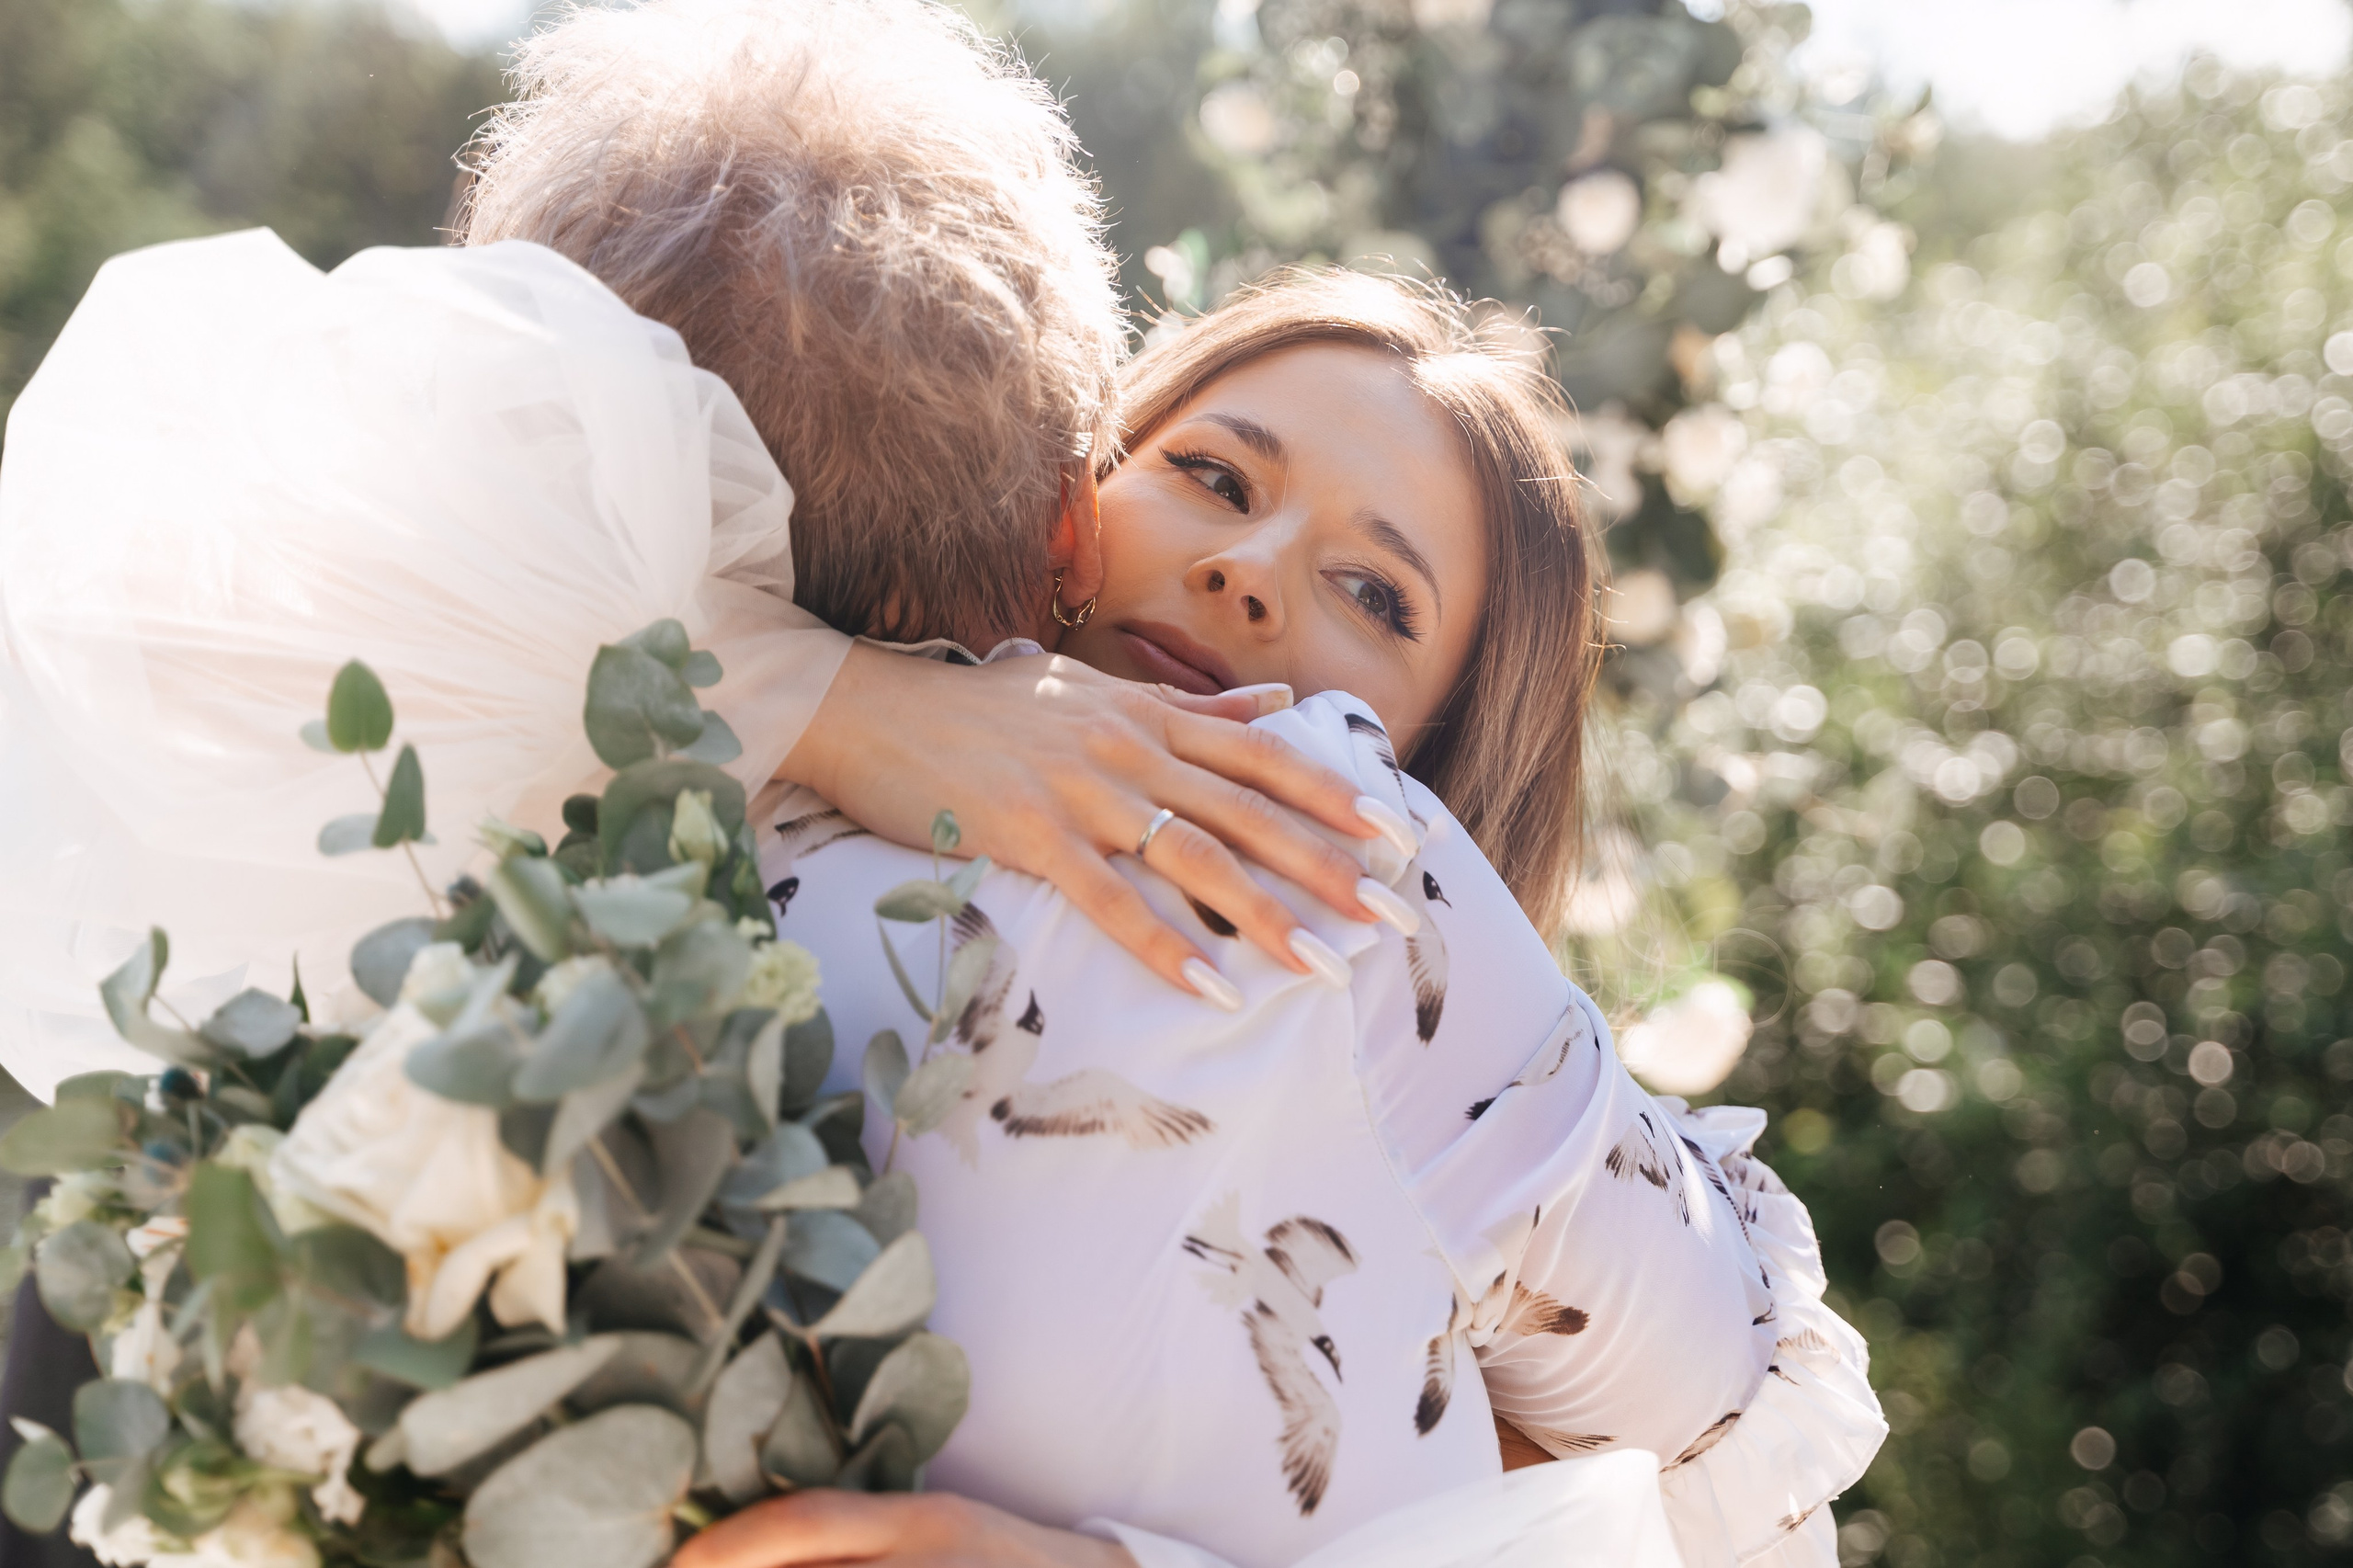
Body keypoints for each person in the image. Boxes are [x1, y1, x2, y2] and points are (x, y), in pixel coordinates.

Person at [674, 270, 1884, 1568]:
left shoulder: (1360, 886)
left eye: (1375, 595)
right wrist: (841, 701)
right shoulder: (754, 642)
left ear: (1435, 753)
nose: (1246, 573)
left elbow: (1743, 1461)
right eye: (1214, 477)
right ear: (1087, 472)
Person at [0, 0, 1391, 1107]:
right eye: (1207, 476)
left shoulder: (319, 722)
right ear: (1067, 527)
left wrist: (806, 690)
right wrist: (835, 696)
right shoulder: (1323, 947)